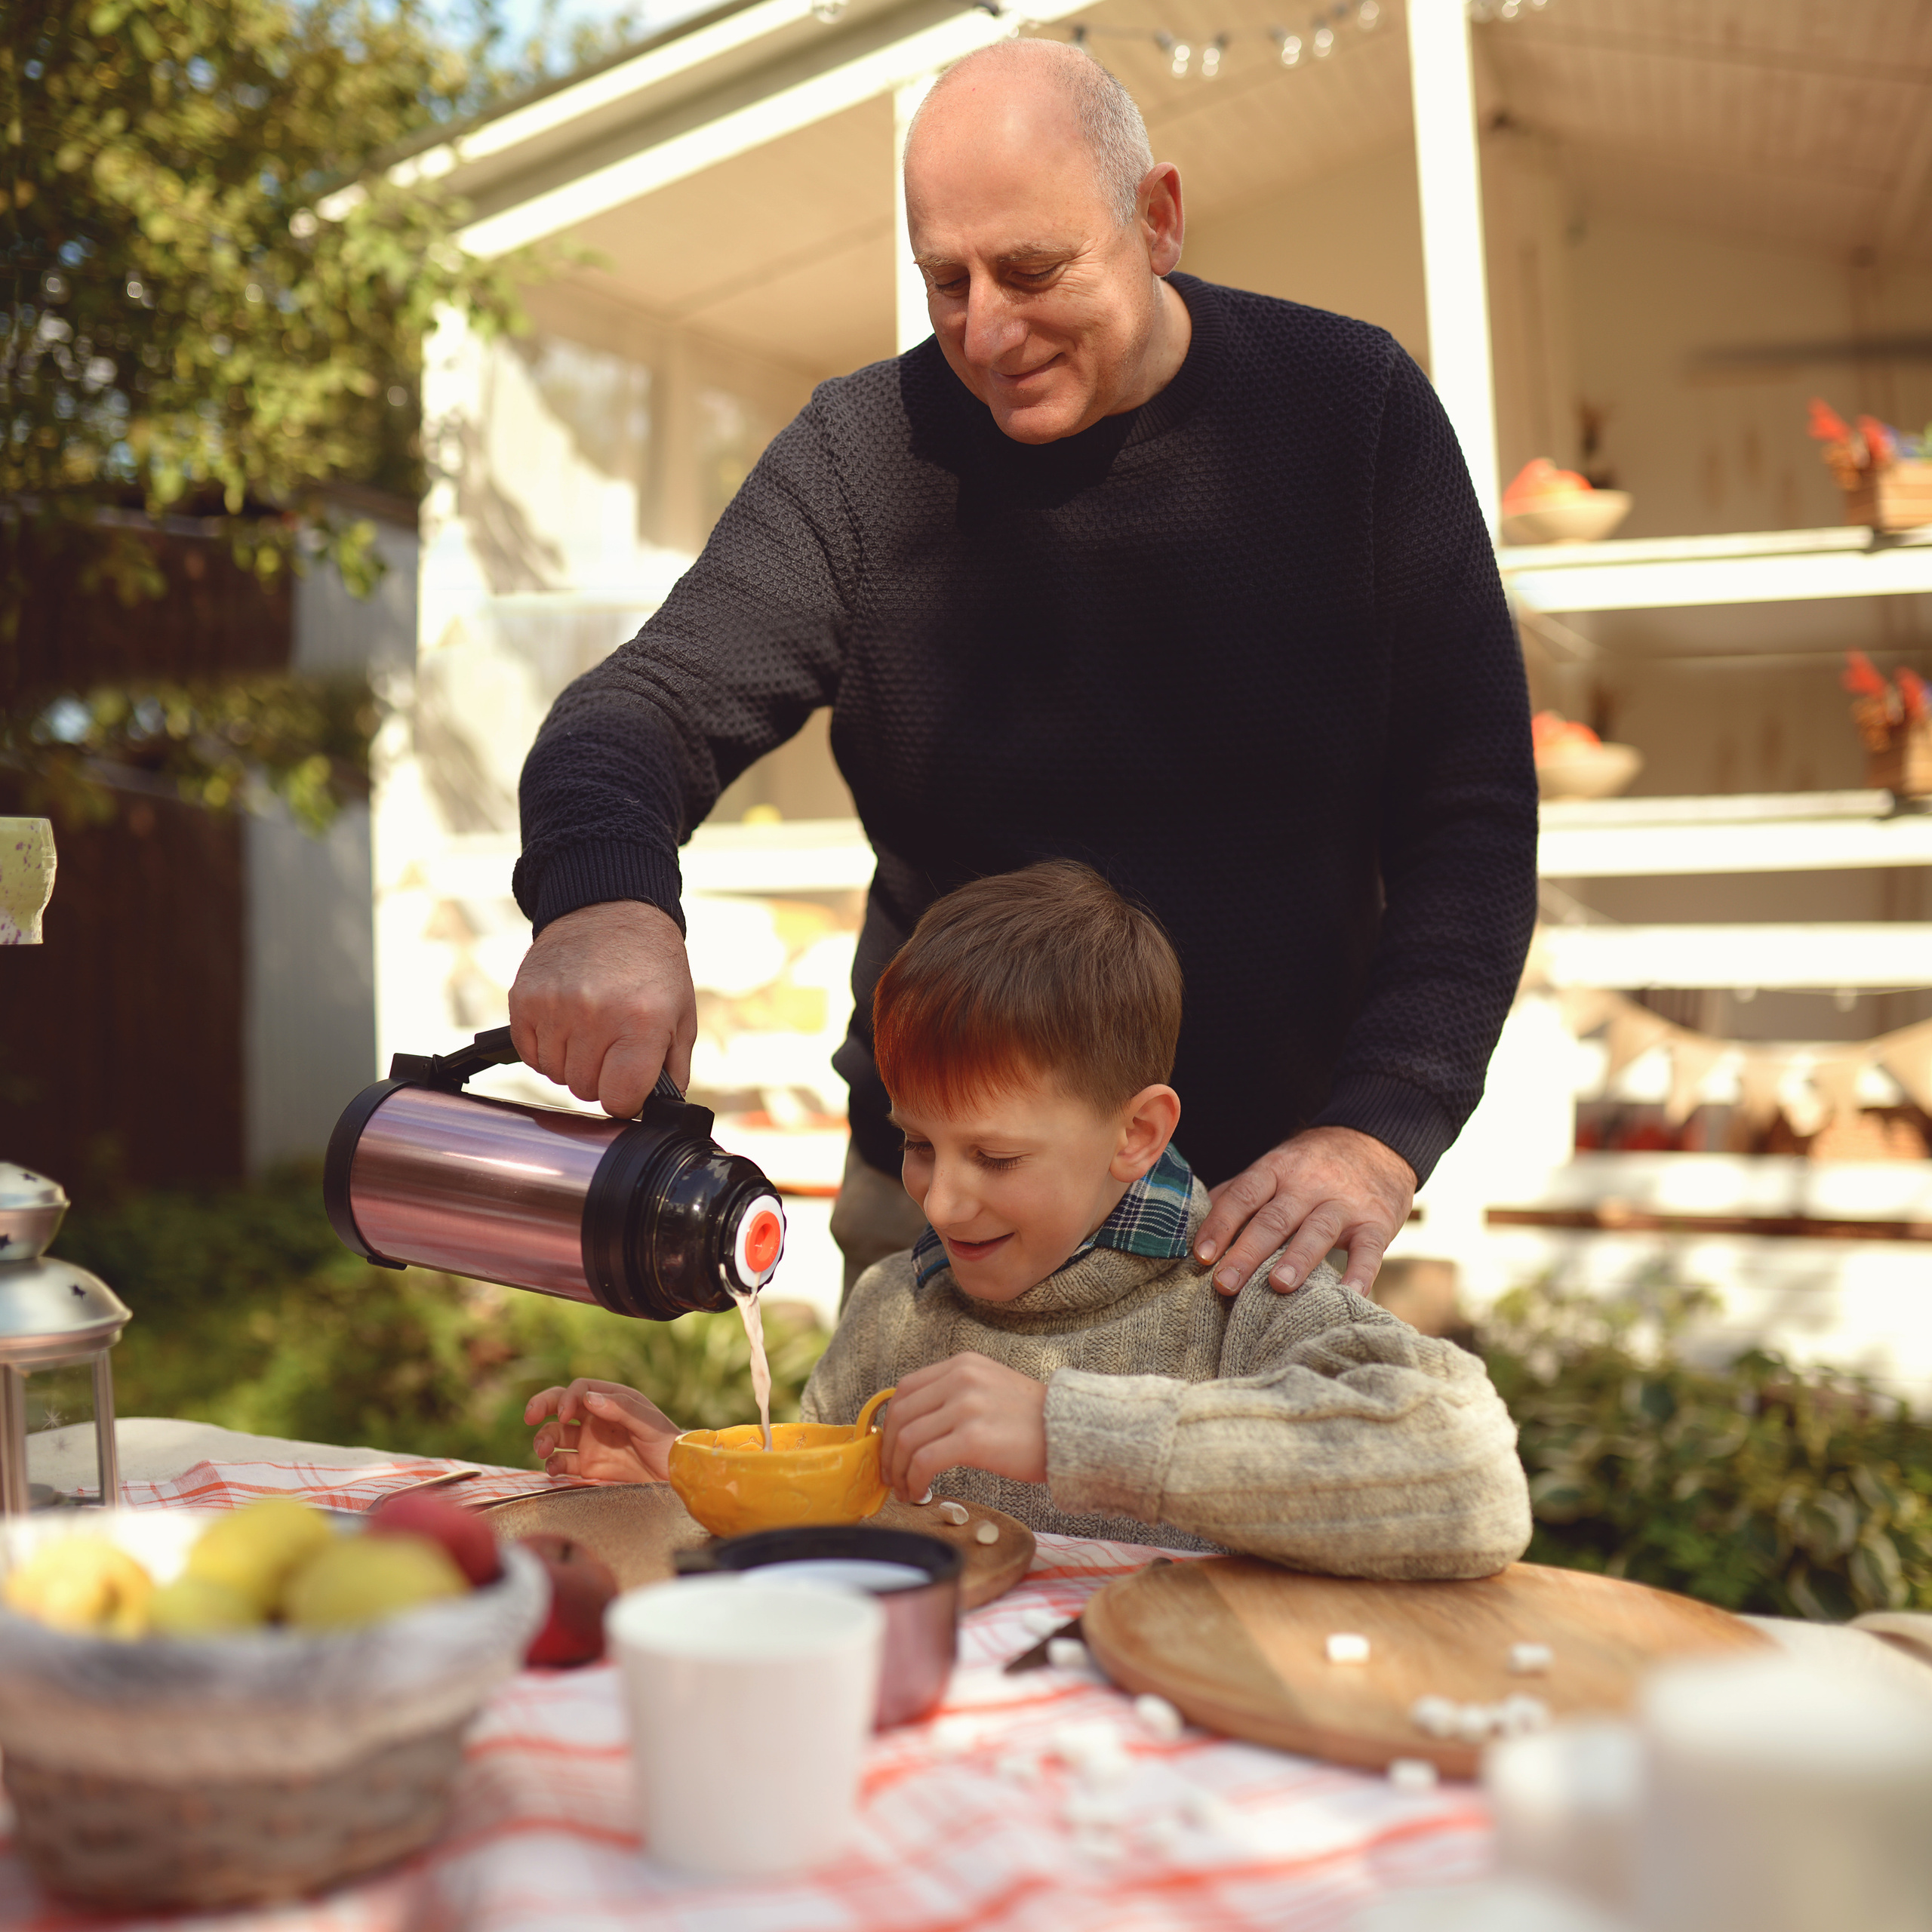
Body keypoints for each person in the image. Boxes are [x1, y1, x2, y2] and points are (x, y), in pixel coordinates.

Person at [507, 38, 1537, 1307]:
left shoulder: (1350, 412)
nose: (987, 331)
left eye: (1034, 270)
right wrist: (604, 899)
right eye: (946, 281)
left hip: (1273, 1207)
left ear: (1156, 218)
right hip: (952, 1213)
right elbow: (642, 707)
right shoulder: (862, 459)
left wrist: (1383, 1131)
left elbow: (1472, 814)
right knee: (907, 1512)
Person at [525, 863, 1532, 1577]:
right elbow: (828, 1521)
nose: (941, 1199)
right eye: (918, 1144)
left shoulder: (1236, 1294)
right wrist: (686, 1469)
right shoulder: (895, 1311)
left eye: (996, 1157)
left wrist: (1067, 1432)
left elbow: (1473, 1483)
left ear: (1137, 1134)